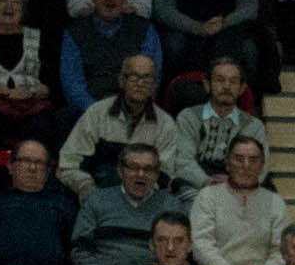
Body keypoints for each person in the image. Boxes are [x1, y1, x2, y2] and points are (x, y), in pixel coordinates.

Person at [59, 53, 203, 198]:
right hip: (97, 193)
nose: (140, 83)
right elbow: (67, 164)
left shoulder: (165, 124)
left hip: (144, 199)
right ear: (122, 81)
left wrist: (137, 192)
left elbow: (166, 173)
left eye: (147, 78)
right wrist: (85, 186)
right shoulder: (96, 113)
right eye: (134, 76)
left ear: (154, 85)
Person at [69, 144, 184, 265]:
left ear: (157, 174)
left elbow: (177, 253)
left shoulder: (171, 205)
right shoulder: (97, 200)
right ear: (120, 171)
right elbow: (80, 250)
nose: (141, 174)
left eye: (148, 169)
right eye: (133, 167)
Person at [60, 0, 164, 118]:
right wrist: (98, 114)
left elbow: (151, 78)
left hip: (133, 112)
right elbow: (72, 84)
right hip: (88, 114)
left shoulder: (145, 30)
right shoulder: (74, 32)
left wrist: (129, 110)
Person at [189, 136, 284, 265]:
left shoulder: (275, 202)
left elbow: (281, 250)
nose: (246, 166)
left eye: (253, 160)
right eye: (239, 159)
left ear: (262, 166)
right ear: (227, 164)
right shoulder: (207, 196)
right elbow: (201, 245)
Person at [152, 0, 260, 80]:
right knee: (172, 45)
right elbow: (162, 7)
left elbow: (250, 6)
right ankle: (175, 91)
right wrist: (196, 27)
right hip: (184, 28)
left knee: (248, 49)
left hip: (226, 28)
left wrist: (224, 23)